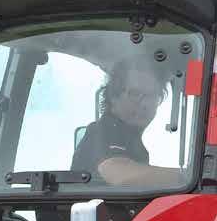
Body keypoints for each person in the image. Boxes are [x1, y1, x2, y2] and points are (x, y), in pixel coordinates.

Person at [71, 56, 180, 188]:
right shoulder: (104, 130)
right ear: (113, 96)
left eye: (152, 95)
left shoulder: (132, 141)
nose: (145, 103)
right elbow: (118, 174)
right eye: (135, 94)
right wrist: (187, 177)